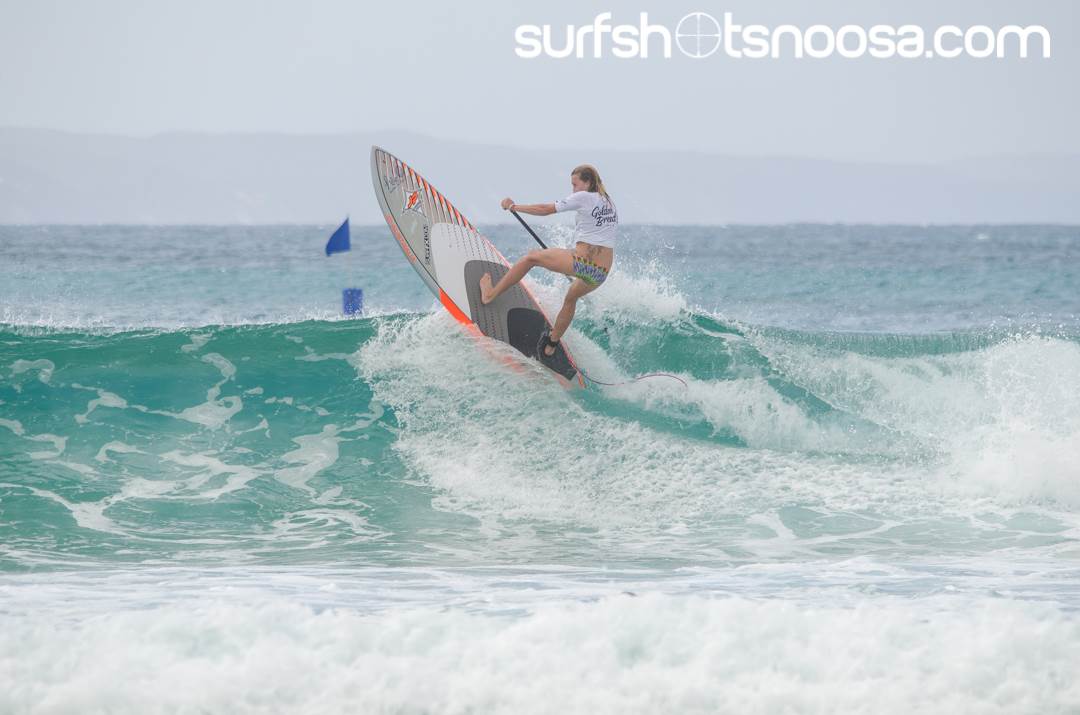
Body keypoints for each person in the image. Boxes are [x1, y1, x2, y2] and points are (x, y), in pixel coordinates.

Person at [479, 164, 618, 360]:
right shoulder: (608, 202)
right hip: (600, 273)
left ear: (587, 183)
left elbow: (546, 209)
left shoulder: (584, 197)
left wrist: (514, 207)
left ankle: (490, 295)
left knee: (532, 257)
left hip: (584, 265)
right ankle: (551, 345)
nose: (573, 190)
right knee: (570, 298)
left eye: (575, 184)